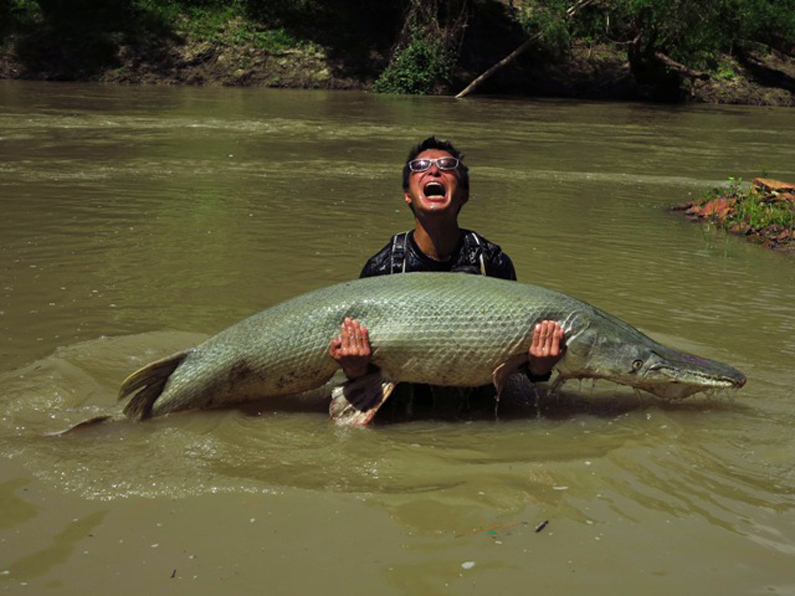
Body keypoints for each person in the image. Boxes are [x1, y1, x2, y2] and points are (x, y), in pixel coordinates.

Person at [328, 136, 564, 414]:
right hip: (405, 417)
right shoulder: (382, 267)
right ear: (407, 195)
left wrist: (540, 367)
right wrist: (354, 367)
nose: (434, 171)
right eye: (421, 166)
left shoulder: (492, 262)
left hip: (477, 417)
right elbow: (361, 372)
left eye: (446, 166)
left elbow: (519, 370)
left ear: (463, 194)